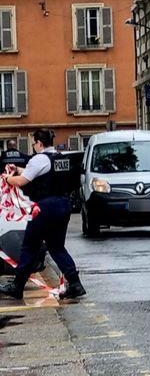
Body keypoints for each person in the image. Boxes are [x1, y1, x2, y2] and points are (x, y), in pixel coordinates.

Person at [0, 129, 86, 300]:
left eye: (34, 143)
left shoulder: (39, 159)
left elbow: (23, 180)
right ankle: (75, 284)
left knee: (29, 246)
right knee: (56, 247)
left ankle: (17, 286)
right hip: (63, 205)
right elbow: (42, 171)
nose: (33, 146)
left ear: (39, 143)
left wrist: (7, 178)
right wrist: (18, 168)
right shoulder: (59, 158)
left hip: (45, 207)